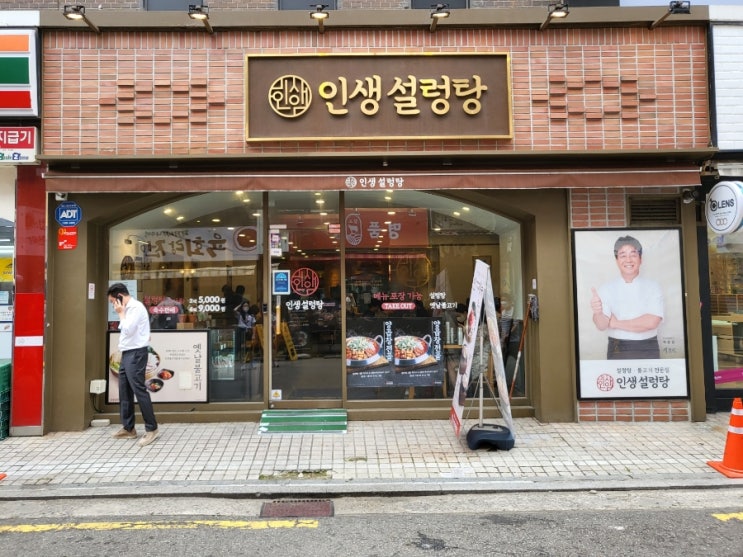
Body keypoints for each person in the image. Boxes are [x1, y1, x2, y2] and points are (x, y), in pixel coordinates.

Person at [591, 235, 664, 360]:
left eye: (633, 254)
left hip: (648, 346)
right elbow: (602, 325)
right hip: (617, 346)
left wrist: (615, 323)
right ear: (617, 260)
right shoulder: (606, 288)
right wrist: (598, 313)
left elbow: (652, 322)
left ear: (640, 259)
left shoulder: (653, 286)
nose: (628, 260)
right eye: (623, 255)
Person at [107, 282, 160, 447]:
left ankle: (152, 429)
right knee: (124, 391)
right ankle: (129, 428)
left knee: (139, 390)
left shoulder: (135, 308)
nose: (113, 305)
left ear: (119, 297)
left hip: (136, 353)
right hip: (127, 353)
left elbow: (128, 329)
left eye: (113, 301)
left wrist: (120, 314)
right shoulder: (128, 309)